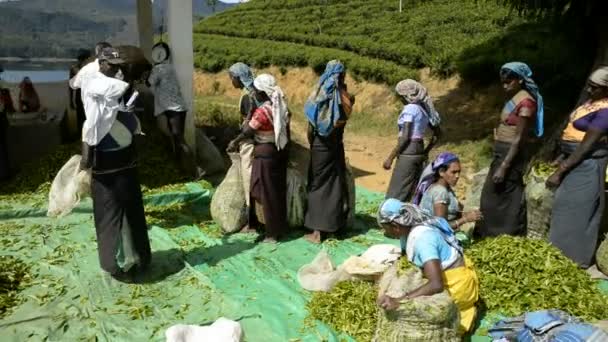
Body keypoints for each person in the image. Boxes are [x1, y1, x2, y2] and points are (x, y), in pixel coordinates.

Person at [79, 47, 151, 282]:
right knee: (112, 213)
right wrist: (86, 159)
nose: (116, 69)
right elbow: (113, 92)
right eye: (114, 65)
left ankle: (139, 257)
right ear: (103, 63)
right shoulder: (95, 82)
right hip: (106, 161)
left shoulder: (115, 82)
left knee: (132, 211)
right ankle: (118, 262)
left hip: (125, 159)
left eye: (120, 65)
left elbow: (126, 104)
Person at [376, 198, 479, 334]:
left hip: (457, 286)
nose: (386, 233)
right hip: (444, 275)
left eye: (386, 229)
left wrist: (400, 301)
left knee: (427, 325)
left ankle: (464, 314)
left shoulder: (423, 239)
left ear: (395, 226)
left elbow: (436, 284)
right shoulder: (410, 228)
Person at [546, 66, 608, 268]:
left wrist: (561, 170)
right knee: (564, 208)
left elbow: (586, 146)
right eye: (589, 86)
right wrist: (562, 155)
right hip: (574, 160)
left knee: (578, 213)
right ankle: (559, 256)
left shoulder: (606, 111)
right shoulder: (592, 103)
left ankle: (574, 261)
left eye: (594, 88)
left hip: (586, 165)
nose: (589, 91)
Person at [475, 62, 544, 238]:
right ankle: (490, 234)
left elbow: (519, 138)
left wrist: (504, 166)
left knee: (506, 197)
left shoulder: (526, 103)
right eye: (503, 82)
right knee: (491, 198)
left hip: (511, 156)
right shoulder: (513, 98)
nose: (505, 86)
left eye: (509, 82)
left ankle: (508, 234)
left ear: (520, 80)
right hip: (502, 151)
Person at [227, 74, 290, 243]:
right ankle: (277, 227)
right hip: (276, 152)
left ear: (262, 92)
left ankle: (271, 233)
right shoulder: (280, 107)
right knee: (275, 192)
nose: (253, 91)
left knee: (263, 192)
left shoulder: (263, 111)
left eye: (256, 89)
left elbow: (248, 131)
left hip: (264, 155)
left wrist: (235, 141)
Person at [302, 60, 354, 243]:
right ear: (342, 75)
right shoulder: (347, 96)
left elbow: (311, 128)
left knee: (317, 184)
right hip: (336, 145)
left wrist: (313, 143)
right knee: (334, 184)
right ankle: (333, 227)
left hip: (320, 146)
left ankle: (317, 230)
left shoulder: (318, 96)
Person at [147, 42, 202, 179]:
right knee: (175, 139)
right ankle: (181, 170)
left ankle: (194, 171)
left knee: (179, 139)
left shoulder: (158, 69)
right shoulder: (169, 67)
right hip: (176, 108)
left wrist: (145, 75)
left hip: (173, 108)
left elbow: (149, 83)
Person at [384, 79, 441, 202]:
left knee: (396, 192)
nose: (400, 99)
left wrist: (390, 157)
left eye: (400, 96)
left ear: (406, 95)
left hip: (408, 152)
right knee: (410, 190)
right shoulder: (424, 109)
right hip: (419, 152)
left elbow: (405, 137)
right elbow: (438, 134)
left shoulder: (410, 108)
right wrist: (426, 151)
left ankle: (390, 217)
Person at [413, 152, 482, 229]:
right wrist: (465, 219)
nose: (457, 176)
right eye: (453, 172)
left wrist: (468, 214)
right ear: (441, 172)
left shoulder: (444, 188)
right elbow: (441, 226)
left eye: (459, 172)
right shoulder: (440, 192)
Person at [228, 62, 259, 225]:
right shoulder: (254, 91)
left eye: (232, 78)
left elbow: (249, 126)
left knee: (248, 181)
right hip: (256, 141)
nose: (231, 81)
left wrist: (236, 140)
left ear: (238, 78)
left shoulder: (248, 96)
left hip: (249, 143)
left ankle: (251, 220)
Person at [70, 49, 93, 133]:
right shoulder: (75, 68)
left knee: (85, 117)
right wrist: (71, 101)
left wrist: (71, 101)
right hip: (82, 97)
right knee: (82, 117)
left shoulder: (90, 68)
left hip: (86, 97)